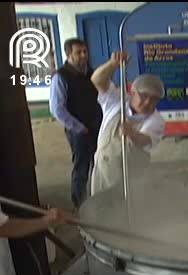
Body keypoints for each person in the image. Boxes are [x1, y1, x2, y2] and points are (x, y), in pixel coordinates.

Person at [89, 51, 166, 195]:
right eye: (144, 96)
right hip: (102, 170)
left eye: (154, 99)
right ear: (133, 92)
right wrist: (112, 65)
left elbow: (145, 140)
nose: (148, 102)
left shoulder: (156, 120)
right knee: (99, 209)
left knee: (126, 213)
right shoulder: (117, 101)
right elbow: (97, 80)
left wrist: (132, 134)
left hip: (132, 178)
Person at [49, 38, 103, 210]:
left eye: (85, 52)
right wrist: (79, 127)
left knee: (100, 163)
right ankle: (79, 205)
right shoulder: (61, 77)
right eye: (78, 52)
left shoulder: (92, 74)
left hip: (97, 127)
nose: (83, 56)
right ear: (68, 54)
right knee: (82, 167)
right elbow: (57, 109)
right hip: (78, 131)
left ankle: (98, 200)